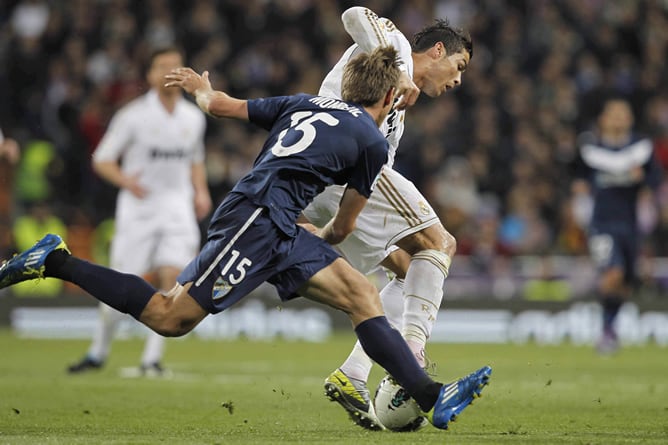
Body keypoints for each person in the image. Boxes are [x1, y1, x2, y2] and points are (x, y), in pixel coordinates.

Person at [0, 45, 490, 430]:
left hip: (276, 221)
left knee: (363, 296)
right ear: (388, 99)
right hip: (255, 221)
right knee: (169, 317)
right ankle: (56, 260)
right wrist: (320, 237)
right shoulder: (371, 142)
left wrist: (199, 89)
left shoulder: (303, 102)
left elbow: (220, 105)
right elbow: (342, 228)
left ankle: (432, 396)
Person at [301, 6, 472, 429]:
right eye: (459, 65)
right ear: (436, 50)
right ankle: (412, 361)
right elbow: (353, 13)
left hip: (324, 179)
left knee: (409, 268)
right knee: (440, 244)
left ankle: (353, 374)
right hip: (341, 163)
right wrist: (398, 74)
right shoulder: (393, 48)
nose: (458, 79)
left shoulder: (396, 122)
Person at [67, 46, 212, 376]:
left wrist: (200, 191)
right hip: (139, 209)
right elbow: (102, 159)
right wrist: (126, 181)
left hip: (177, 207)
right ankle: (98, 351)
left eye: (176, 65)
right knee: (120, 283)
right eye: (163, 66)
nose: (171, 71)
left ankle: (152, 359)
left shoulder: (193, 117)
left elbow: (195, 160)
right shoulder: (132, 116)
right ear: (149, 75)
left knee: (174, 280)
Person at [571, 96, 662, 354]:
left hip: (631, 226)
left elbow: (655, 180)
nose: (619, 118)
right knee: (613, 275)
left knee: (626, 282)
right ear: (603, 119)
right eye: (614, 113)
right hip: (601, 224)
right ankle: (606, 330)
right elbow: (578, 179)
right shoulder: (591, 148)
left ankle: (608, 329)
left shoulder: (640, 148)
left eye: (624, 113)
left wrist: (644, 178)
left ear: (630, 119)